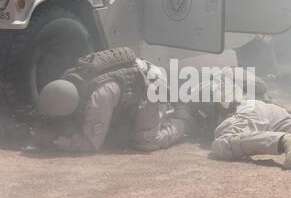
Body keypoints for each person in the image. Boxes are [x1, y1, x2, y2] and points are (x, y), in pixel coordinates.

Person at [36, 47, 187, 152]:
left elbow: (90, 144)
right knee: (118, 134)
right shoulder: (69, 80)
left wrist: (56, 141)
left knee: (146, 141)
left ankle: (184, 121)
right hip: (135, 78)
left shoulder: (98, 98)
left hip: (151, 84)